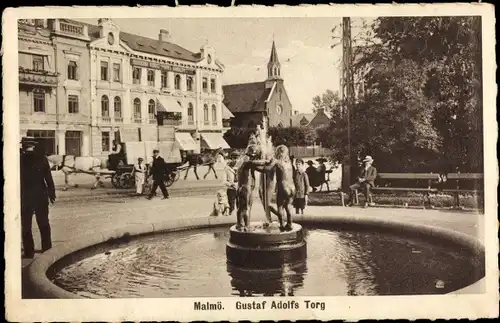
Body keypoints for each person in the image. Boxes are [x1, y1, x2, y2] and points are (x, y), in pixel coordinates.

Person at [20, 139, 56, 258]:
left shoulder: (20, 159)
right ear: (33, 146)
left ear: (24, 146)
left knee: (26, 225)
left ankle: (29, 252)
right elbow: (48, 179)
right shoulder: (42, 159)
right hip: (41, 195)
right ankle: (47, 249)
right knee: (44, 222)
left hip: (25, 196)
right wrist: (52, 194)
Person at [235, 144, 272, 231]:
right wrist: (268, 161)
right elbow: (258, 165)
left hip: (240, 187)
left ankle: (239, 224)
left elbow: (259, 168)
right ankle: (247, 226)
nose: (256, 158)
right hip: (246, 187)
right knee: (247, 207)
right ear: (253, 154)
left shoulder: (242, 160)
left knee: (241, 207)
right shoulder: (248, 161)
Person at [223, 152, 239, 216]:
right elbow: (223, 181)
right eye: (234, 158)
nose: (235, 160)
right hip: (231, 190)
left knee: (240, 206)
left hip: (240, 189)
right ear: (231, 159)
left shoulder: (240, 167)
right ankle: (230, 218)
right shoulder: (227, 168)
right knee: (231, 206)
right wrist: (231, 184)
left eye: (237, 158)